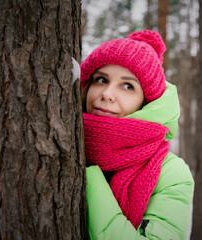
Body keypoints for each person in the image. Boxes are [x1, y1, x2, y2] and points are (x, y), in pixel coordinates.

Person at [80, 30, 194, 239]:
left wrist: (89, 175)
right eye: (101, 80)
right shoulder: (63, 140)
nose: (107, 94)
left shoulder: (171, 173)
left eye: (127, 86)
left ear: (146, 102)